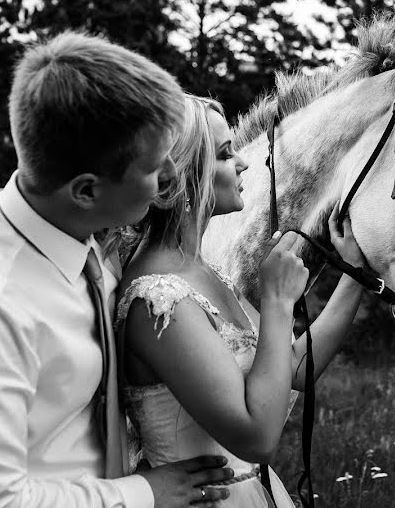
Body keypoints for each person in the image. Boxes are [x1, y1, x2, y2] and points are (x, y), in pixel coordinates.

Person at [0, 32, 233, 508]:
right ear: (86, 190)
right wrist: (141, 494)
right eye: (156, 166)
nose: (173, 177)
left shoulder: (91, 243)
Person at [116, 96, 366, 507]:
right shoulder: (160, 298)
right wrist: (278, 301)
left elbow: (292, 370)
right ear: (181, 175)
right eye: (224, 154)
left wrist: (353, 273)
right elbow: (257, 436)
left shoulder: (202, 270)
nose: (243, 163)